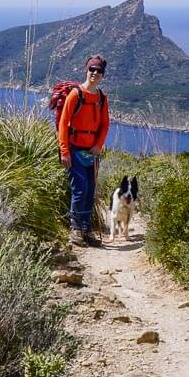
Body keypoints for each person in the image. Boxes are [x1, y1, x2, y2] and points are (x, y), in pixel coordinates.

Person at [59, 54, 110, 246]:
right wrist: (64, 151)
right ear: (86, 70)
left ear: (103, 75)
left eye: (99, 71)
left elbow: (105, 124)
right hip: (74, 149)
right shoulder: (76, 94)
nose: (95, 73)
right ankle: (76, 229)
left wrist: (99, 144)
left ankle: (87, 228)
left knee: (90, 190)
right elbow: (64, 123)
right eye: (92, 70)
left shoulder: (102, 98)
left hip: (92, 152)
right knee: (79, 189)